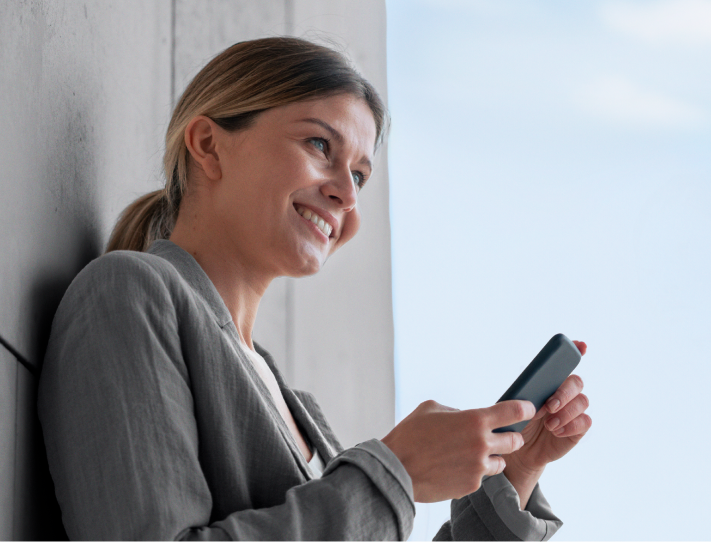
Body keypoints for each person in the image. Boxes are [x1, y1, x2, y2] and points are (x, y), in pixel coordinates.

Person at [37, 37, 592, 541]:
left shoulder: (298, 411)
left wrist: (514, 474)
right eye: (319, 145)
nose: (347, 197)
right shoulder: (128, 295)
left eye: (359, 176)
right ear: (208, 145)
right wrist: (394, 474)